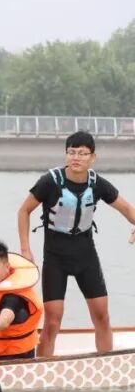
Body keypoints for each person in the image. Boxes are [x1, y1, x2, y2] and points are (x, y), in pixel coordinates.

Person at [16, 131, 135, 355]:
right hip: (55, 257)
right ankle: (43, 367)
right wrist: (25, 249)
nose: (76, 158)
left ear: (92, 157)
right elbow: (24, 211)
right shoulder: (50, 181)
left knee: (102, 315)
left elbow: (127, 209)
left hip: (85, 256)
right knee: (53, 320)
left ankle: (105, 362)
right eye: (71, 152)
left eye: (82, 153)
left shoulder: (97, 184)